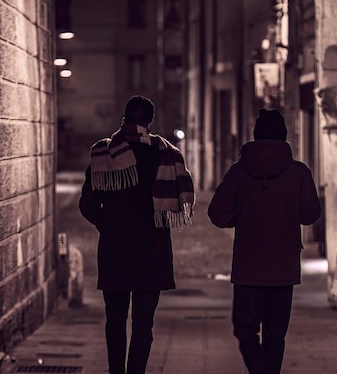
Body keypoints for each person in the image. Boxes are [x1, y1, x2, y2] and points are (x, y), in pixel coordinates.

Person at [79, 95, 194, 374]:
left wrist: (106, 224)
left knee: (115, 320)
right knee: (144, 325)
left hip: (115, 249)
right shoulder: (167, 154)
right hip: (151, 251)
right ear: (150, 122)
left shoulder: (103, 154)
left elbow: (87, 204)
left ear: (124, 119)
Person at [207, 108, 321, 374]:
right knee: (275, 334)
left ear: (255, 136)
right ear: (284, 137)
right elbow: (311, 215)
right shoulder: (299, 172)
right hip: (284, 266)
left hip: (248, 266)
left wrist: (243, 217)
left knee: (245, 330)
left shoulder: (239, 171)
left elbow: (217, 213)